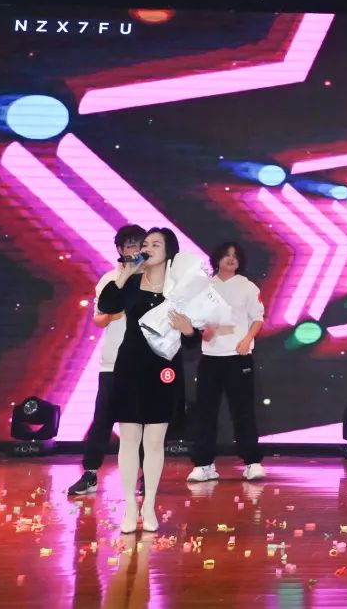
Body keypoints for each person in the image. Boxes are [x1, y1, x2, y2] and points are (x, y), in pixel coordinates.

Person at [98, 227, 197, 533]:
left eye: (156, 244)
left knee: (154, 441)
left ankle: (149, 503)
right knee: (129, 438)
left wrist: (188, 329)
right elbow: (107, 306)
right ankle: (130, 506)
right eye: (146, 244)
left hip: (164, 368)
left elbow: (193, 339)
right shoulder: (131, 282)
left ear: (169, 252)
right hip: (130, 365)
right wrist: (124, 275)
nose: (148, 248)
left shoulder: (181, 288)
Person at [68, 224, 146, 496]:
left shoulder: (154, 278)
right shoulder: (109, 279)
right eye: (128, 245)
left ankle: (146, 476)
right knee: (102, 420)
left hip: (145, 363)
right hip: (113, 362)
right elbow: (99, 319)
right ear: (120, 249)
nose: (133, 250)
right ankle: (90, 474)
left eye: (138, 244)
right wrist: (115, 310)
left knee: (144, 422)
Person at [187, 241, 266, 482]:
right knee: (206, 413)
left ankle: (252, 462)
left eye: (235, 256)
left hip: (238, 356)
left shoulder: (247, 286)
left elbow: (257, 318)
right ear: (217, 258)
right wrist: (203, 330)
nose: (231, 259)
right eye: (226, 255)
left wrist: (247, 340)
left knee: (243, 411)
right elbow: (195, 318)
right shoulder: (204, 287)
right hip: (211, 358)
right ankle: (204, 464)